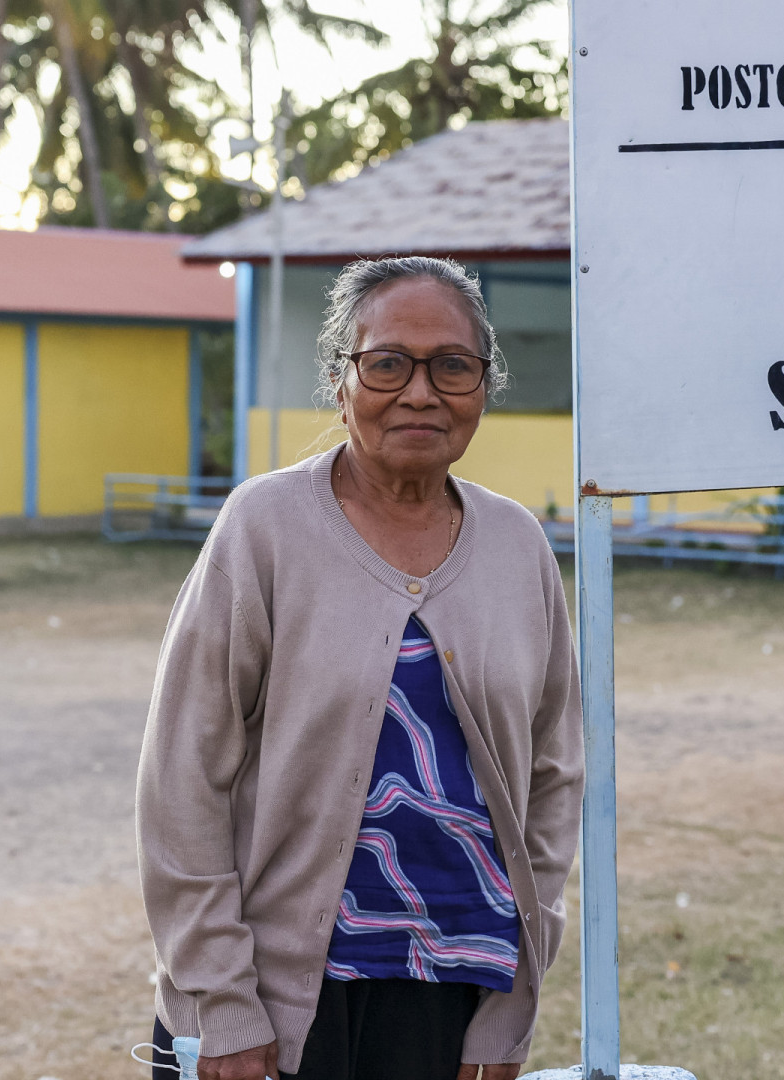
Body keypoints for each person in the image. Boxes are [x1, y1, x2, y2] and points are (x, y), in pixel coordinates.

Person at [137, 256, 583, 1080]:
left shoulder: (520, 546)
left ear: (484, 386)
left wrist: (507, 1012)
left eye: (453, 366)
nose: (420, 392)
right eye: (387, 364)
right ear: (340, 383)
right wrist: (222, 1002)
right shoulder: (264, 528)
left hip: (454, 995)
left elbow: (554, 782)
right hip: (278, 999)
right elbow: (182, 776)